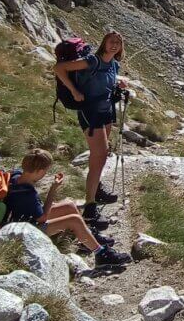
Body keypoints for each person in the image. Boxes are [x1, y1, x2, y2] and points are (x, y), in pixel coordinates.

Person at [4, 149, 130, 266]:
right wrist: (53, 190)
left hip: (21, 219)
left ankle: (88, 238)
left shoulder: (15, 176)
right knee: (73, 220)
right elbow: (42, 218)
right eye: (46, 171)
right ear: (40, 171)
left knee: (69, 206)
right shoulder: (27, 191)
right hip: (28, 229)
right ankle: (101, 254)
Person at [54, 30, 130, 224]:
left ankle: (96, 190)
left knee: (100, 156)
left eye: (118, 43)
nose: (114, 45)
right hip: (90, 112)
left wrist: (118, 85)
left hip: (106, 112)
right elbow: (60, 68)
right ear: (104, 43)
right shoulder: (92, 61)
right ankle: (90, 206)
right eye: (111, 41)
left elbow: (105, 84)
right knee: (100, 154)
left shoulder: (114, 64)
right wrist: (74, 90)